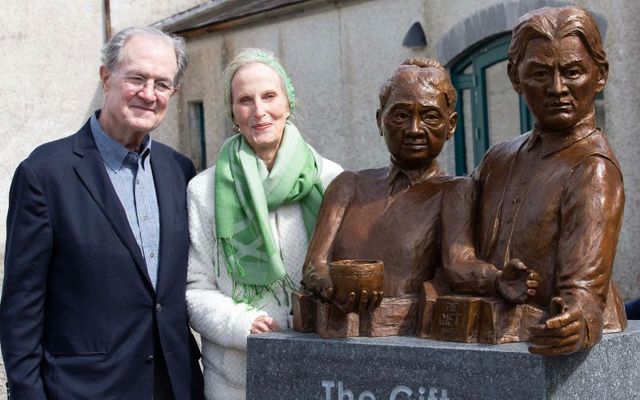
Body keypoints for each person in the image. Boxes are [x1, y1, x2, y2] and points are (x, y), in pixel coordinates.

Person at [0, 27, 204, 399]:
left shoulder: (179, 170)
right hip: (85, 389)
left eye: (162, 84)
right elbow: (21, 307)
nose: (148, 94)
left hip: (174, 386)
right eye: (137, 78)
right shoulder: (45, 174)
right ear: (106, 77)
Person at [444, 6, 626, 355]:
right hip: (487, 327)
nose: (557, 88)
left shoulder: (593, 169)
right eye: (540, 74)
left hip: (539, 336)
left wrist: (575, 320)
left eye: (572, 72)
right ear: (516, 78)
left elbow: (583, 293)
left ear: (599, 75)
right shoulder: (499, 157)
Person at [185, 48, 342, 399]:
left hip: (319, 369)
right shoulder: (204, 190)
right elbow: (194, 287)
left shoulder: (332, 181)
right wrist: (241, 324)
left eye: (269, 96)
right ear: (232, 112)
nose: (259, 110)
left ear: (289, 102)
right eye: (245, 100)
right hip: (237, 378)